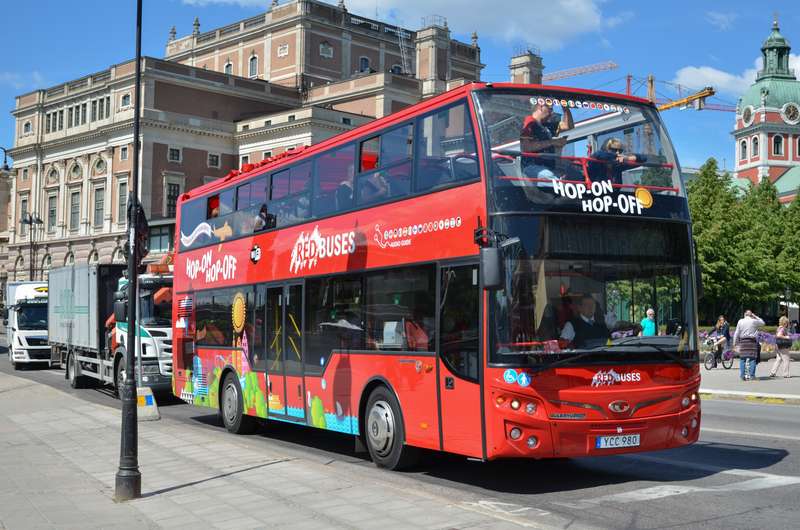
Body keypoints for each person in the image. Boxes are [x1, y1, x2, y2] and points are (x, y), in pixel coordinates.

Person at [520, 101, 573, 178]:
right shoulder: (529, 121)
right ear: (540, 107)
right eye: (550, 109)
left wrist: (565, 107)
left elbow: (567, 126)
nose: (552, 112)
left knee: (573, 175)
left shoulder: (546, 126)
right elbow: (526, 147)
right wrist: (553, 142)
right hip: (532, 167)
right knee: (552, 178)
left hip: (548, 168)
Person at [733, 310, 765, 381]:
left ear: (744, 314)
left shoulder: (740, 321)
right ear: (751, 315)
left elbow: (736, 332)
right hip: (752, 342)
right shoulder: (754, 321)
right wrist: (755, 316)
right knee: (752, 359)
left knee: (742, 359)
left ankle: (742, 376)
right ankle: (752, 376)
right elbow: (763, 323)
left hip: (743, 341)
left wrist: (734, 343)